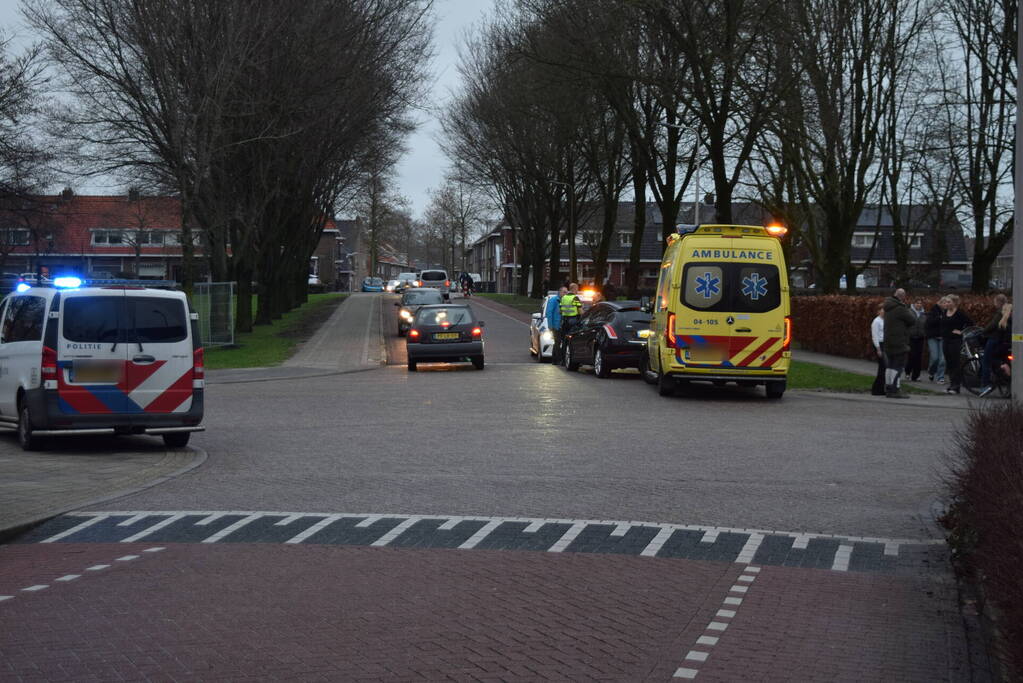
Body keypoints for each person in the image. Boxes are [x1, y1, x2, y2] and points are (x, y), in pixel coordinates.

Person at [882, 288, 915, 398]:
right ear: (902, 297)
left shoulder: (887, 307)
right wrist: (906, 307)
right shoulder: (900, 308)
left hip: (888, 340)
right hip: (899, 341)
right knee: (898, 366)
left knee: (890, 366)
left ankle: (888, 388)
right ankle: (895, 389)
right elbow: (912, 320)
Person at [940, 293, 973, 394]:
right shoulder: (945, 312)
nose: (947, 304)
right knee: (949, 363)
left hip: (955, 341)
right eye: (946, 302)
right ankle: (951, 384)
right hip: (946, 340)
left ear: (954, 303)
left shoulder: (959, 313)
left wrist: (961, 332)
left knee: (955, 363)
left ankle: (956, 386)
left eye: (949, 302)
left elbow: (970, 323)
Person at [980, 299, 1012, 397]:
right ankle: (1004, 365)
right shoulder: (1013, 319)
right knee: (999, 358)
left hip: (994, 341)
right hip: (1006, 344)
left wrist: (983, 333)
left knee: (986, 362)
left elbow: (991, 326)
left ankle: (985, 385)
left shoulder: (1000, 317)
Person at [558, 282, 583, 365]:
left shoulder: (563, 298)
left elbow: (560, 311)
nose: (578, 291)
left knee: (564, 341)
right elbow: (580, 311)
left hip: (564, 321)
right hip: (573, 321)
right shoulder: (575, 298)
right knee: (573, 341)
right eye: (577, 289)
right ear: (574, 289)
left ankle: (563, 360)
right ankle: (572, 360)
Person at [925, 297, 947, 383]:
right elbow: (929, 323)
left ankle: (940, 377)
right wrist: (939, 318)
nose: (946, 305)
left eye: (947, 303)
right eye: (944, 303)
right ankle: (931, 371)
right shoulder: (933, 311)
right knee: (935, 358)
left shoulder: (949, 312)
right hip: (933, 337)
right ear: (940, 303)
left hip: (943, 338)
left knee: (942, 359)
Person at [906, 298, 927, 381]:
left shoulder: (923, 314)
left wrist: (924, 333)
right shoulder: (909, 312)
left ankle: (916, 376)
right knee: (912, 355)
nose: (919, 305)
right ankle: (908, 371)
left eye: (920, 303)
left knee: (918, 357)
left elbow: (925, 325)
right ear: (913, 304)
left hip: (920, 338)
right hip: (911, 337)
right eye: (917, 303)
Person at [546, 286, 565, 363]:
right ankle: (558, 359)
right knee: (557, 342)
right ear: (560, 292)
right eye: (564, 292)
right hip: (555, 325)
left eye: (566, 292)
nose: (565, 293)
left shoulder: (563, 300)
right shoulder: (554, 300)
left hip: (560, 324)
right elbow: (549, 313)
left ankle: (555, 360)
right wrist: (550, 326)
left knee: (557, 342)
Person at [871, 303, 886, 396]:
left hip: (885, 344)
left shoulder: (885, 321)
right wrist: (878, 349)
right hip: (880, 344)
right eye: (882, 309)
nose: (884, 311)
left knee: (884, 368)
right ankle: (876, 389)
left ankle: (880, 388)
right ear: (878, 311)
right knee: (882, 367)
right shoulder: (876, 322)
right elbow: (875, 336)